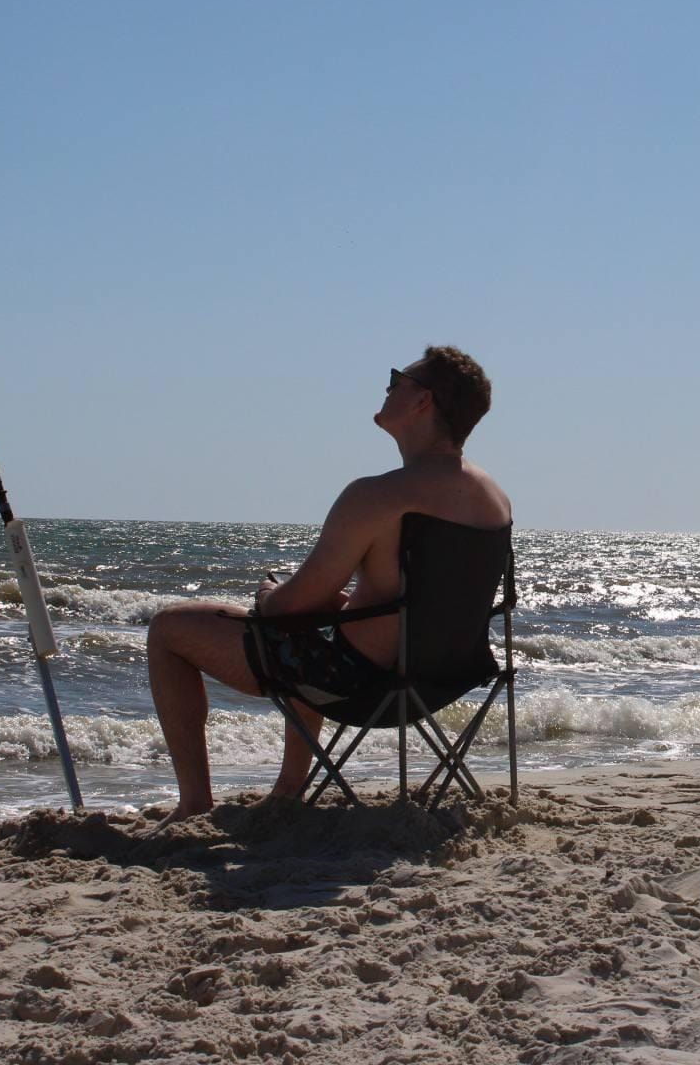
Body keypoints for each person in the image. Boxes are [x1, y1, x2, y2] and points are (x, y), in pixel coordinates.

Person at [146, 346, 512, 822]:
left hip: (359, 685)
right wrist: (348, 605)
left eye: (398, 378)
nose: (389, 385)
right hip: (442, 679)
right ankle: (288, 788)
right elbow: (422, 600)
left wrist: (266, 594)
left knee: (169, 629)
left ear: (423, 401)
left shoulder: (378, 496)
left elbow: (286, 609)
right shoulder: (494, 498)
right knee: (315, 625)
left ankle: (195, 802)